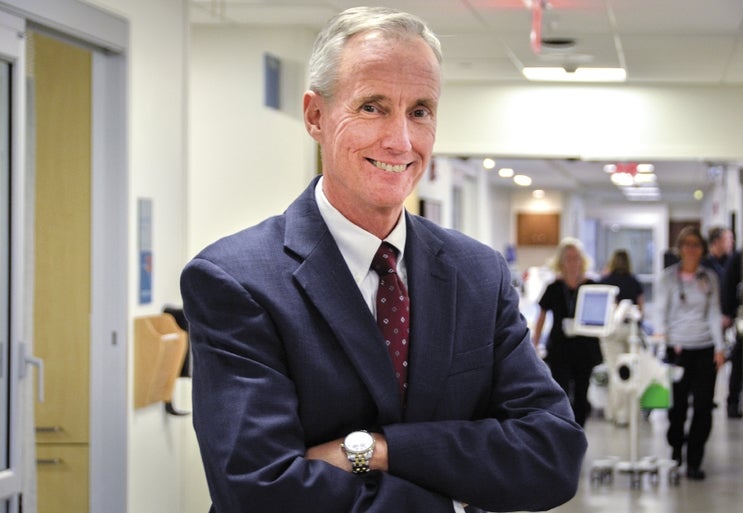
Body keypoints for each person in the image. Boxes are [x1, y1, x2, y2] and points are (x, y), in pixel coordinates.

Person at [180, 7, 586, 513]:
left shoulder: (476, 274)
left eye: (420, 111)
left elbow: (553, 454)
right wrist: (453, 499)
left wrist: (374, 451)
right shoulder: (237, 280)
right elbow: (261, 490)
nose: (401, 140)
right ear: (315, 116)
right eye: (372, 106)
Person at [656, 226, 726, 480]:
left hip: (704, 348)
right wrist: (664, 342)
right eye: (687, 244)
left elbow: (714, 312)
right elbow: (661, 311)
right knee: (678, 407)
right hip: (678, 349)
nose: (691, 249)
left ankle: (694, 460)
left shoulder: (709, 278)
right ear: (680, 248)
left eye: (696, 244)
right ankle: (676, 447)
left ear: (703, 249)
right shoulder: (668, 278)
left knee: (704, 407)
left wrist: (719, 347)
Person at [533, 237, 604, 427]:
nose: (573, 262)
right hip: (560, 348)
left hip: (585, 347)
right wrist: (534, 345)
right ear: (561, 262)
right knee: (561, 392)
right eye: (569, 258)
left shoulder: (591, 286)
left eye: (577, 258)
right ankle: (564, 430)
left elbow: (602, 314)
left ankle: (579, 429)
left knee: (582, 392)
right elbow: (541, 317)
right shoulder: (554, 288)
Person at [598, 249, 645, 425]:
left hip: (612, 331)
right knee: (632, 373)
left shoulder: (606, 282)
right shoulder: (634, 281)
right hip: (631, 330)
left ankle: (617, 414)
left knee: (616, 372)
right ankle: (633, 414)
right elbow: (641, 308)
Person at [721, 247, 743, 418]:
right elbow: (729, 285)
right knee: (740, 359)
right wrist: (728, 312)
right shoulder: (741, 257)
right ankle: (733, 402)